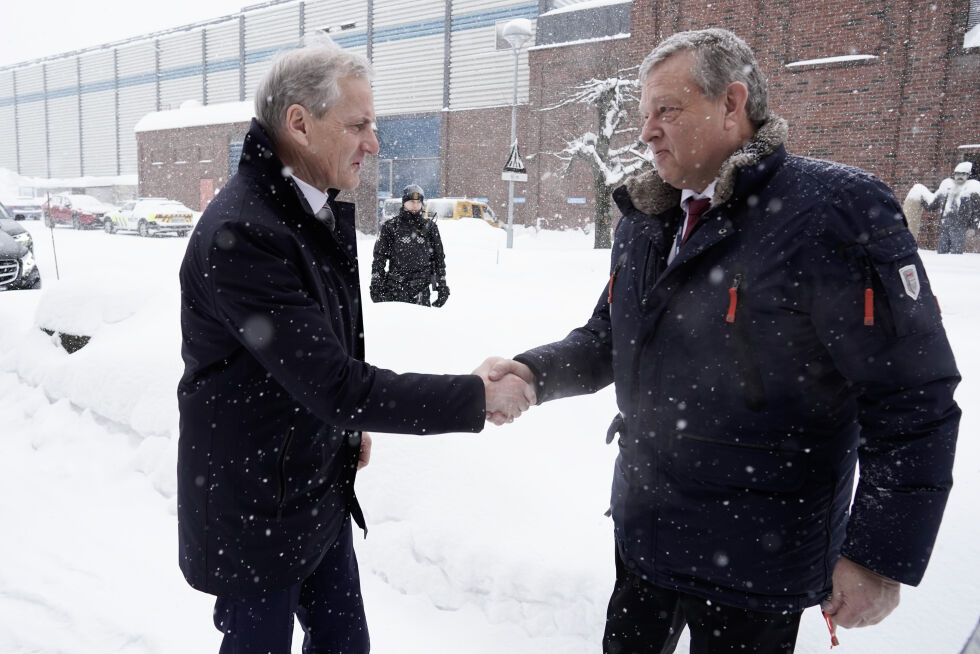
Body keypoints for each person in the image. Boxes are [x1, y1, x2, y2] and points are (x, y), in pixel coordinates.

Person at [480, 28, 960, 654]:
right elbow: (608, 337)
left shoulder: (833, 213)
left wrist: (877, 556)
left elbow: (912, 397)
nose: (646, 130)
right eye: (645, 113)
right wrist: (532, 374)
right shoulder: (649, 221)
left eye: (667, 111)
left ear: (732, 105)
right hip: (646, 537)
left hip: (759, 562)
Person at [177, 38, 533, 653]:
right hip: (255, 509)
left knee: (346, 646)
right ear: (299, 123)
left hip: (314, 488)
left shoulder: (305, 212)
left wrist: (342, 430)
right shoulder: (246, 231)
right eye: (359, 125)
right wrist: (475, 397)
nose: (374, 142)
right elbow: (334, 384)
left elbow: (320, 360)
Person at [370, 184, 450, 307]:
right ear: (404, 203)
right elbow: (379, 259)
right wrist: (376, 284)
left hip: (422, 292)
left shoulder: (430, 228)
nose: (415, 205)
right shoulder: (391, 227)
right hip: (396, 290)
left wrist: (442, 285)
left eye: (418, 202)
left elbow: (439, 259)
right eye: (412, 201)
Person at [922, 161, 980, 254]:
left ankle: (954, 267)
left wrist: (972, 227)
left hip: (960, 225)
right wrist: (921, 194)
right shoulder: (947, 187)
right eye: (957, 174)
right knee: (942, 250)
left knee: (956, 251)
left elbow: (977, 211)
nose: (960, 176)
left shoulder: (972, 189)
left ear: (968, 175)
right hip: (945, 224)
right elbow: (933, 205)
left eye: (963, 174)